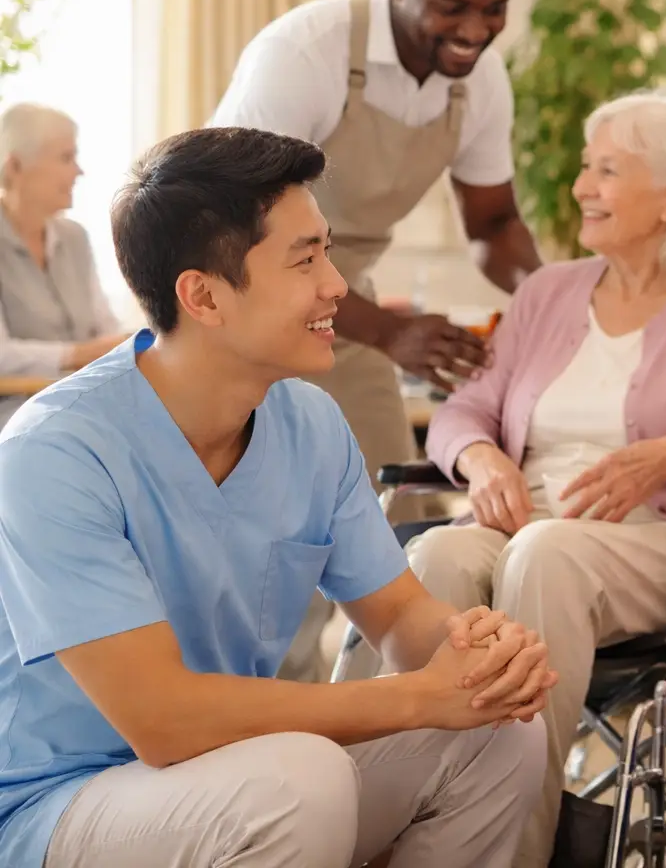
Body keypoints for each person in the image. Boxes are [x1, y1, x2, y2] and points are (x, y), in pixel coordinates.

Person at [0, 127, 555, 868]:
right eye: (306, 260)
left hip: (239, 782)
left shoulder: (311, 424)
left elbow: (399, 615)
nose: (337, 285)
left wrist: (478, 657)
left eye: (327, 250)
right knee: (302, 777)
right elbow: (161, 721)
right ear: (202, 296)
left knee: (501, 729)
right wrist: (420, 698)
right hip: (61, 808)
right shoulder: (55, 451)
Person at [405, 92, 666, 868]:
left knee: (545, 554)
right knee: (437, 561)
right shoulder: (548, 294)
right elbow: (464, 410)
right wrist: (481, 459)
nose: (582, 185)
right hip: (527, 528)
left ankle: (513, 848)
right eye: (586, 167)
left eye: (607, 170)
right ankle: (404, 824)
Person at [209, 0, 542, 680]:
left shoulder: (481, 83)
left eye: (494, 8)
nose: (475, 30)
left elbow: (494, 228)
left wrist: (553, 302)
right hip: (240, 300)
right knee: (273, 528)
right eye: (452, 6)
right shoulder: (306, 52)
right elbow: (239, 229)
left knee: (400, 519)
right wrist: (391, 332)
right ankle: (262, 713)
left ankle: (386, 716)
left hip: (338, 302)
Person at [0, 103, 129, 425]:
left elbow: (105, 327)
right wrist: (78, 355)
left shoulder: (75, 238)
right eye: (65, 158)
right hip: (19, 414)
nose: (78, 172)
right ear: (15, 166)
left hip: (82, 402)